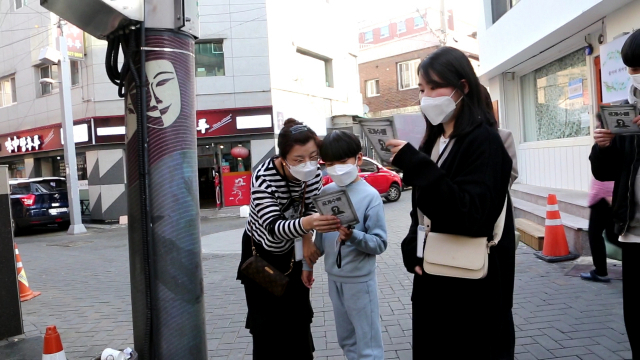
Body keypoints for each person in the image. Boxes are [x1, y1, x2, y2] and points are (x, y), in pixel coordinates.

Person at [385, 46, 516, 359]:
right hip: (433, 278)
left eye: (435, 87)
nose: (427, 97)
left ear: (463, 87)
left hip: (470, 287)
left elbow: (472, 215)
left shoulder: (483, 140)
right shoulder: (435, 141)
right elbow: (423, 214)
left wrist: (417, 165)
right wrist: (413, 250)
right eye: (422, 89)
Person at [236, 118, 341, 359]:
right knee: (267, 323)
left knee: (298, 317)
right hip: (261, 253)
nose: (308, 164)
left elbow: (307, 209)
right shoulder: (262, 178)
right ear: (283, 158)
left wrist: (306, 240)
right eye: (298, 159)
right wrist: (309, 225)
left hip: (292, 251)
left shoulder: (313, 174)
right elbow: (273, 227)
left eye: (313, 157)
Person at [302, 130, 387, 360]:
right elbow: (320, 239)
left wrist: (353, 237)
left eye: (342, 162)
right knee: (346, 339)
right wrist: (307, 266)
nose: (337, 168)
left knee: (368, 343)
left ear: (358, 159)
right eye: (330, 163)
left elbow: (380, 244)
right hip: (334, 279)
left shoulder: (370, 196)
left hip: (360, 281)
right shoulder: (327, 193)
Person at [590, 29, 640, 358]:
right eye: (633, 70)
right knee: (635, 321)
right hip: (633, 233)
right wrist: (602, 147)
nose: (635, 76)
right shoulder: (625, 112)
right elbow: (606, 172)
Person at [582, 113, 618, 283]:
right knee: (612, 235)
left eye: (598, 125)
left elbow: (606, 176)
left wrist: (609, 196)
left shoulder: (617, 142)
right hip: (607, 197)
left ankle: (600, 271)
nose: (596, 129)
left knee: (595, 234)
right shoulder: (604, 145)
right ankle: (600, 270)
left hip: (603, 198)